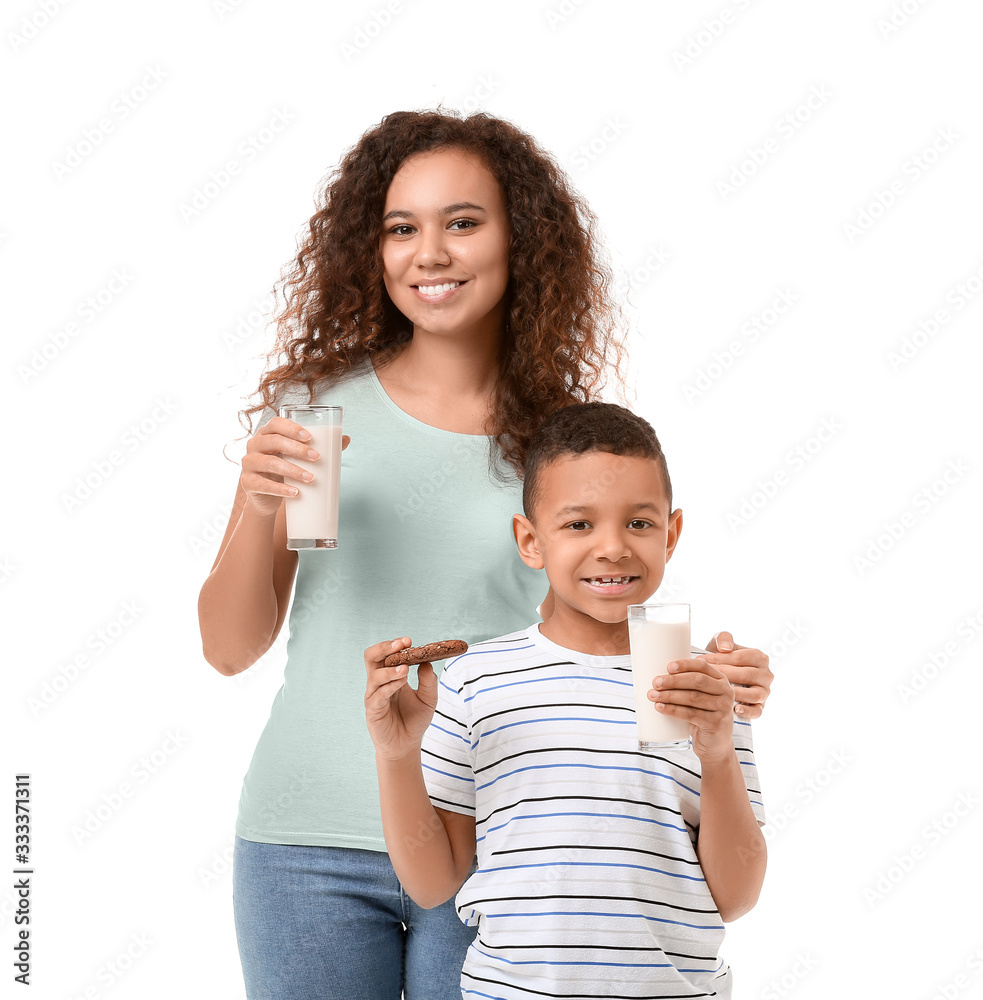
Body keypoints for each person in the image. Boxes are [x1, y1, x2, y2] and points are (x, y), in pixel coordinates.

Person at [198, 109, 773, 1000]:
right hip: (304, 838)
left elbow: (603, 618)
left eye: (462, 222)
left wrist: (719, 685)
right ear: (373, 249)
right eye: (402, 228)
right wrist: (255, 503)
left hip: (497, 832)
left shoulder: (561, 443)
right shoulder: (314, 411)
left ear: (521, 241)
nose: (430, 252)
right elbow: (230, 648)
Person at [364, 402, 767, 1000]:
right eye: (579, 524)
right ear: (530, 540)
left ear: (671, 534)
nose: (612, 548)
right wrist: (396, 756)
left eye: (639, 523)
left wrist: (717, 752)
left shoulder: (702, 686)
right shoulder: (476, 681)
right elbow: (431, 885)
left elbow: (735, 897)